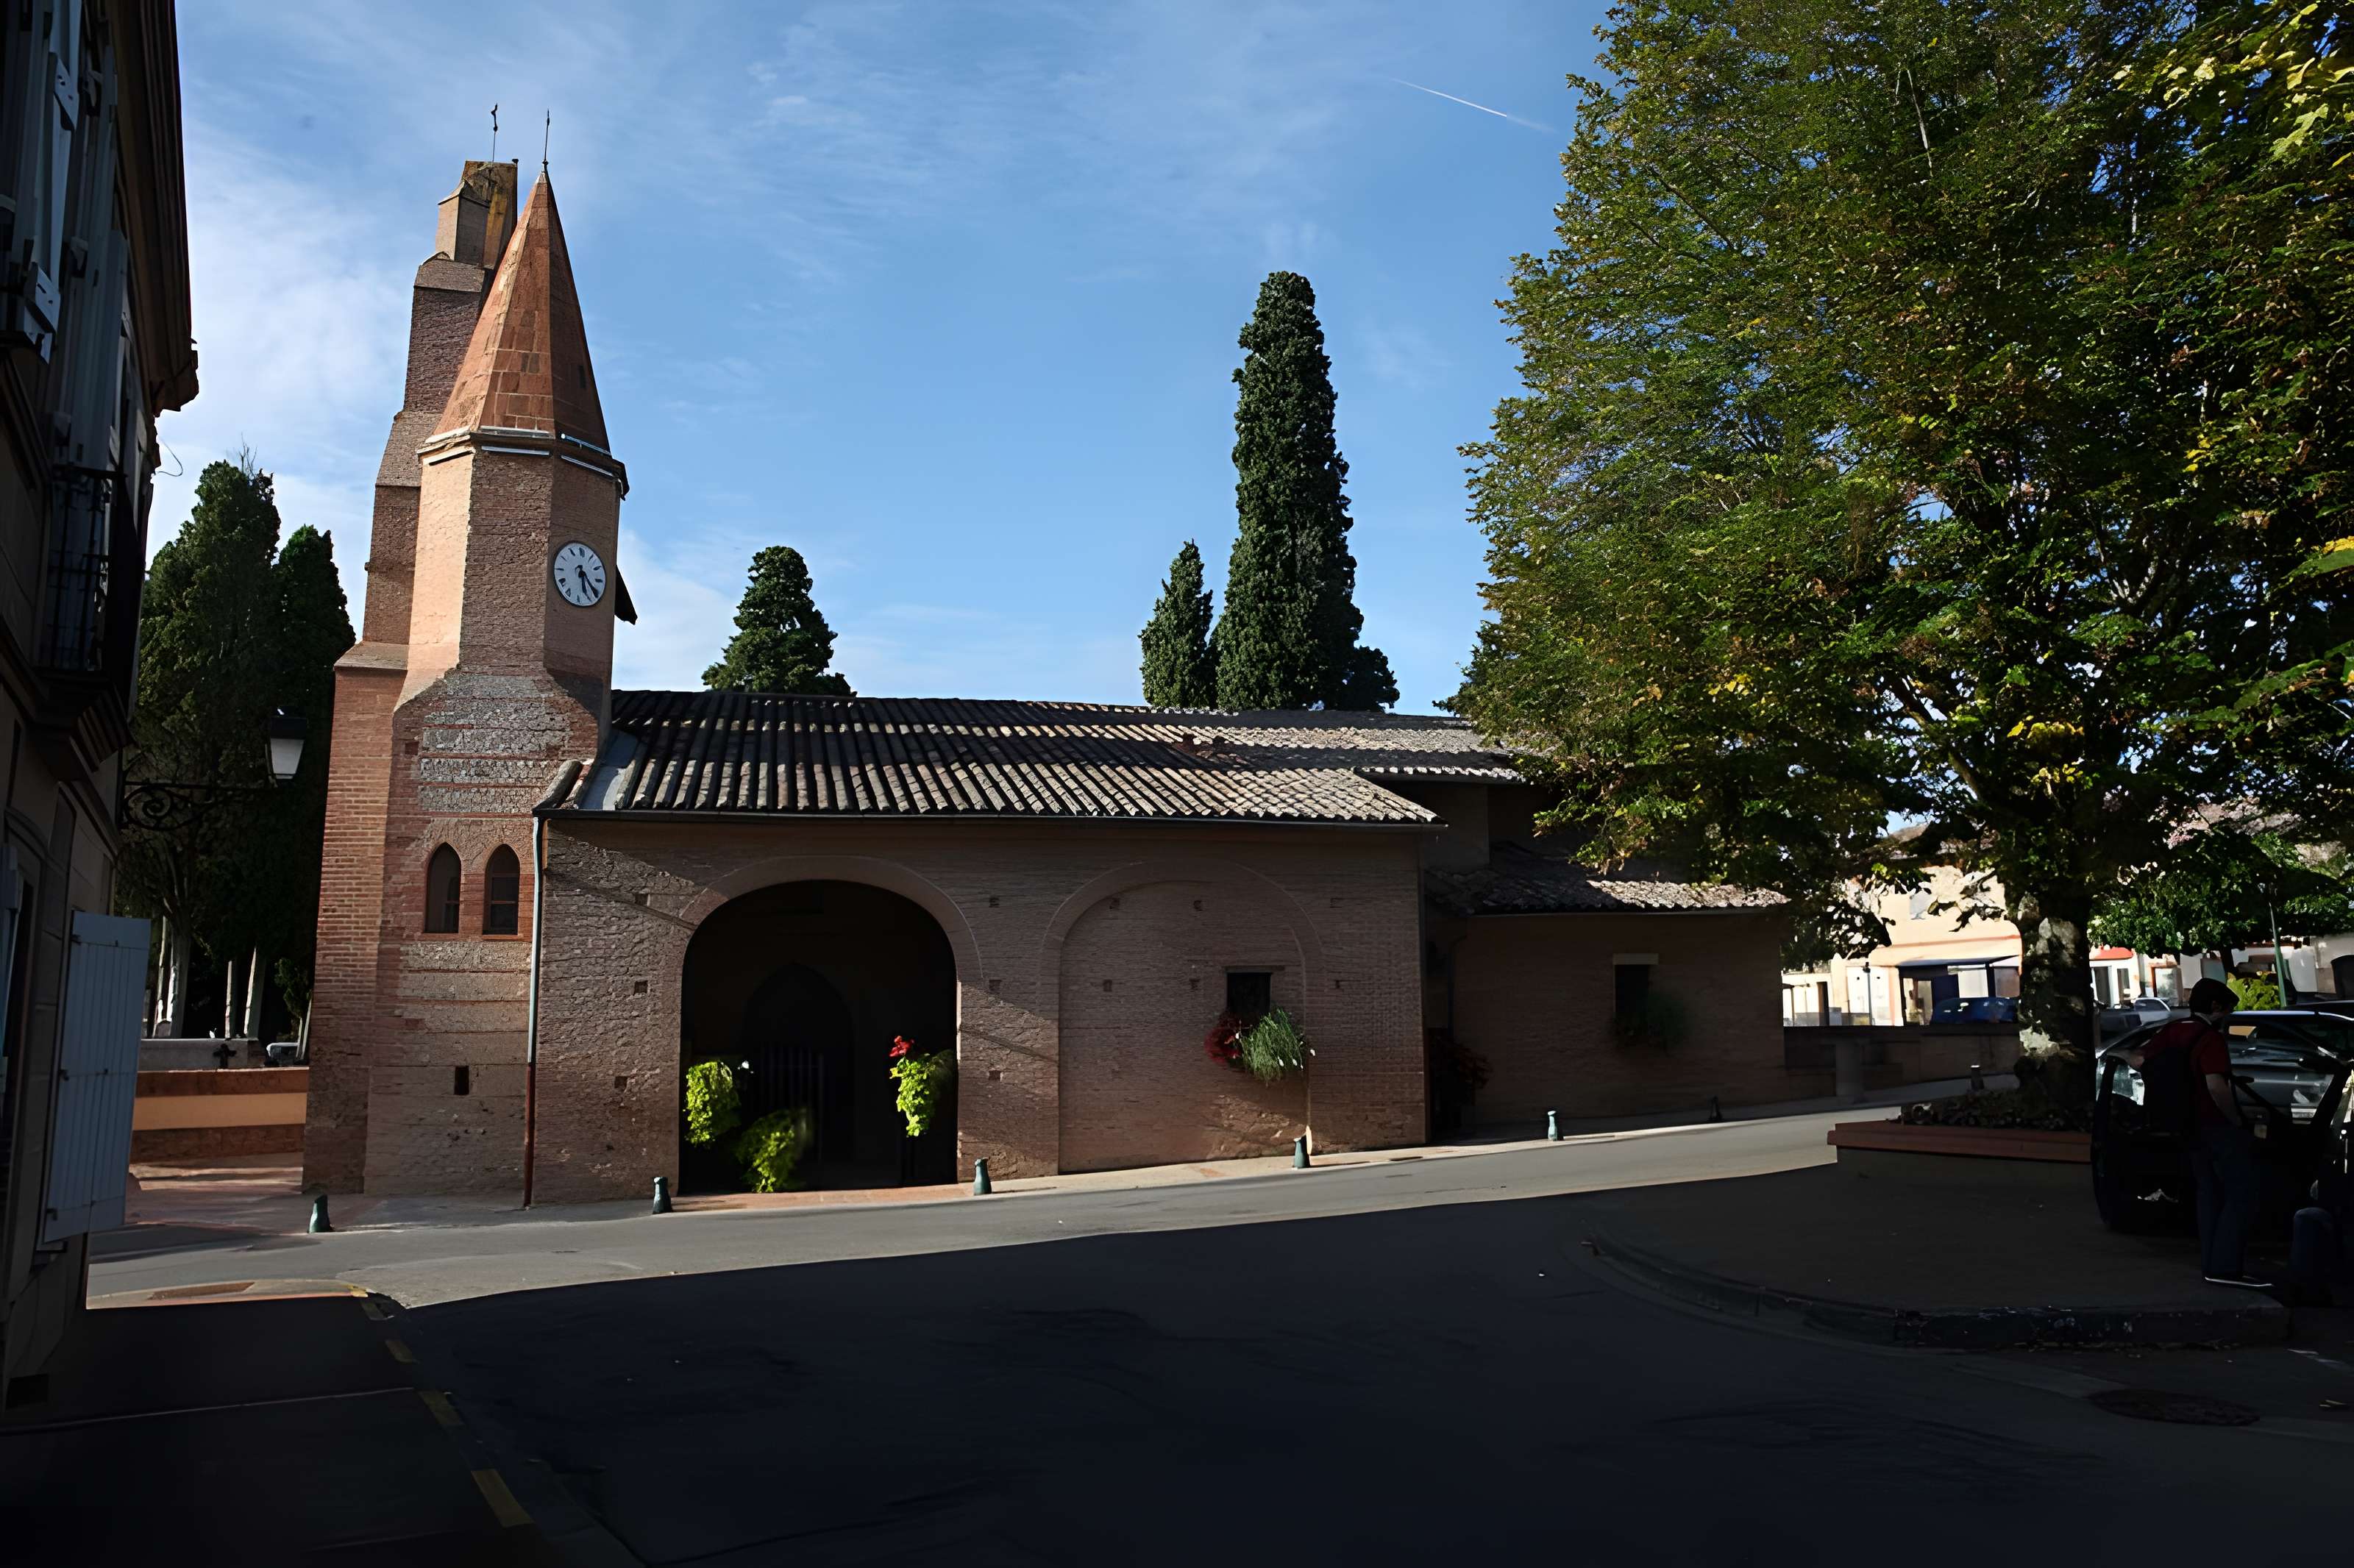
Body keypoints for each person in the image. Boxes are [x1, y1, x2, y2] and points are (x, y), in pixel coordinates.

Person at [2137, 977, 2268, 1289]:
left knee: (2208, 1194)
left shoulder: (2172, 1031)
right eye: (2227, 1012)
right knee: (2242, 1193)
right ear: (2215, 1008)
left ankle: (2211, 1264)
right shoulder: (2210, 1039)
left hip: (2186, 1126)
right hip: (2214, 1125)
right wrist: (2236, 1120)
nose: (2227, 1020)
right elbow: (2216, 1086)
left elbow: (2139, 1058)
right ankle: (2226, 1267)